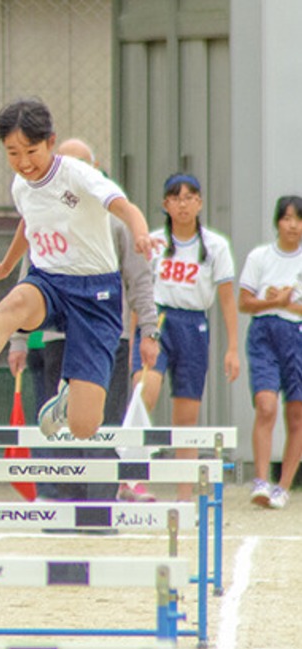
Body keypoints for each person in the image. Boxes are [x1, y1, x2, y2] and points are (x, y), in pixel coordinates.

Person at [0, 99, 151, 441]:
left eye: (31, 151)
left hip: (96, 294)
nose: (24, 163)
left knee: (85, 427)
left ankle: (67, 402)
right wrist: (5, 266)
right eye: (13, 153)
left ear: (50, 143)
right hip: (50, 282)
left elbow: (125, 207)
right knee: (16, 302)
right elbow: (30, 222)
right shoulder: (21, 186)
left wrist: (141, 233)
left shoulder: (79, 174)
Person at [7, 138, 160, 503]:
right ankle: (58, 498)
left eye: (82, 167)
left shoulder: (112, 222)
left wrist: (149, 330)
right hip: (57, 336)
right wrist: (17, 340)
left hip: (107, 337)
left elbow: (139, 279)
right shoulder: (43, 208)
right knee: (54, 423)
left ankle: (99, 501)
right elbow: (27, 274)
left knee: (102, 421)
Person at [131, 173, 240, 501]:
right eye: (176, 197)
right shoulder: (154, 243)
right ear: (166, 204)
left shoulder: (215, 246)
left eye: (190, 196)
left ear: (200, 202)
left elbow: (226, 298)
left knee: (186, 415)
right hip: (157, 320)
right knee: (144, 390)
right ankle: (131, 480)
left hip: (194, 326)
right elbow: (139, 291)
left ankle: (184, 494)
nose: (183, 203)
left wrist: (233, 347)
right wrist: (133, 335)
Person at [239, 195, 302, 510]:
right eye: (287, 218)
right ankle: (261, 480)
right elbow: (244, 302)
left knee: (297, 414)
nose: (293, 225)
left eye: (299, 219)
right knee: (265, 405)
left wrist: (288, 303)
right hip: (264, 332)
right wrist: (273, 302)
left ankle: (284, 486)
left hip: (298, 335)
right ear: (277, 221)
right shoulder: (260, 256)